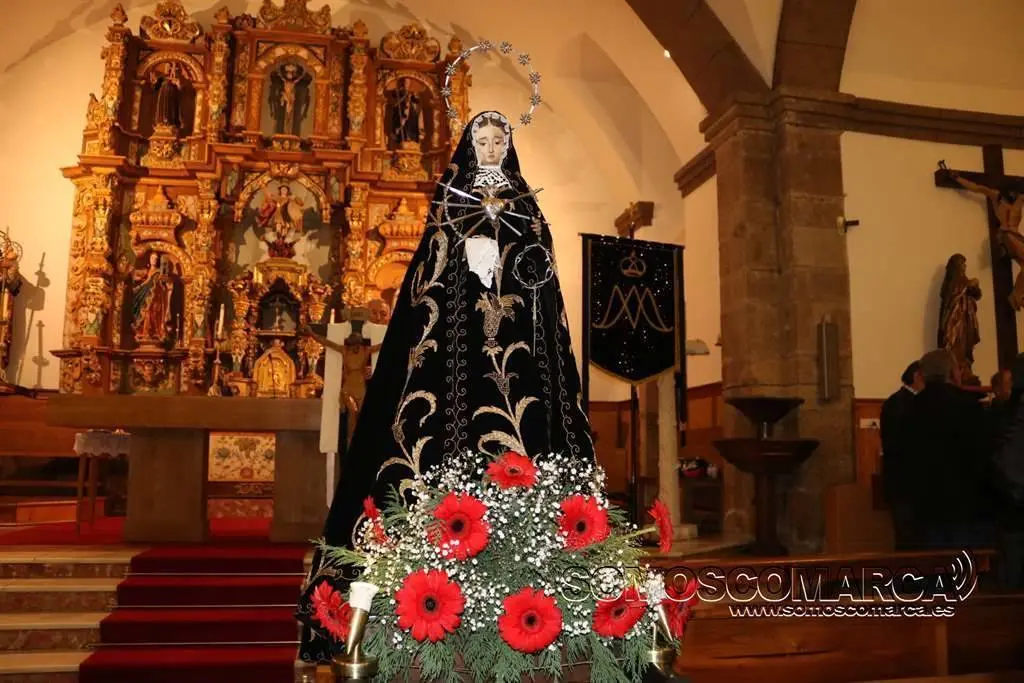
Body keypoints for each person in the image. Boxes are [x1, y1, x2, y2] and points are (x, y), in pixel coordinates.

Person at [295, 110, 595, 663]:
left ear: (508, 144)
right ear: (468, 143)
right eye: (479, 139)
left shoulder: (527, 203)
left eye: (496, 139)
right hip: (453, 364)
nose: (487, 146)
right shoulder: (449, 201)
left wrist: (508, 257)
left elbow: (541, 280)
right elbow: (425, 290)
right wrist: (464, 256)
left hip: (517, 355)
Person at [903, 349, 993, 551]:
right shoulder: (968, 406)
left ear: (923, 375)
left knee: (933, 571)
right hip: (965, 505)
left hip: (926, 507)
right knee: (966, 571)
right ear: (952, 372)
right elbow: (982, 455)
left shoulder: (907, 410)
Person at [880, 361, 924, 549]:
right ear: (916, 376)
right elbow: (898, 444)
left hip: (904, 482)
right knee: (909, 541)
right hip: (905, 483)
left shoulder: (900, 401)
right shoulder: (900, 403)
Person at [937, 253, 982, 385]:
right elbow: (955, 293)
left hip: (965, 322)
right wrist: (969, 284)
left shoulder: (963, 282)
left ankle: (965, 370)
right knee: (954, 348)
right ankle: (957, 372)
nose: (964, 267)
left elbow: (977, 294)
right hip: (954, 324)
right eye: (962, 264)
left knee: (965, 348)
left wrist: (974, 286)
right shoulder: (952, 284)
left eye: (964, 264)